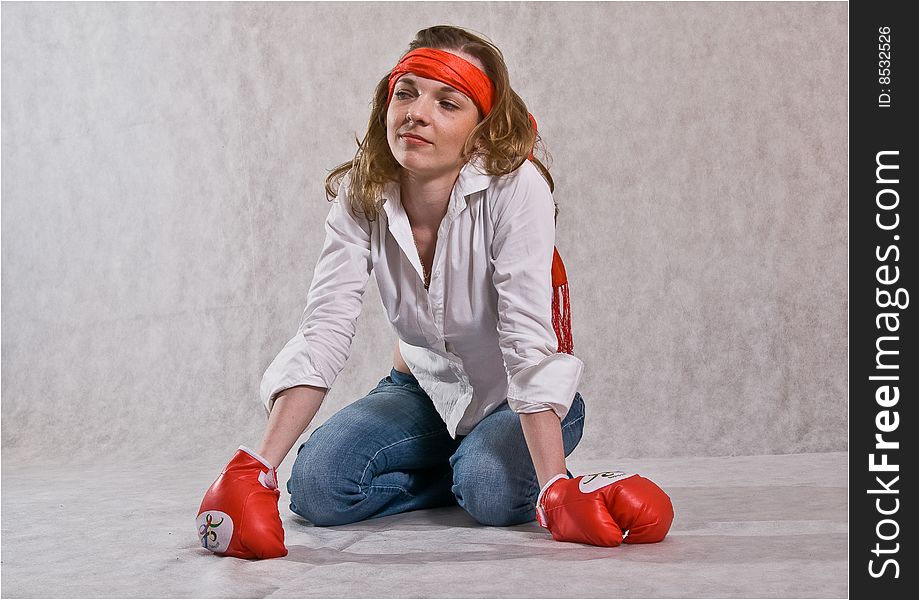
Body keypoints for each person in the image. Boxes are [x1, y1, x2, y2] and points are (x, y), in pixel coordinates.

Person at [196, 25, 673, 560]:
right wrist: (255, 467)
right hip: (419, 389)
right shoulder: (363, 191)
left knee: (490, 494)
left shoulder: (516, 188)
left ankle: (512, 475)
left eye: (447, 102)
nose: (416, 113)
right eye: (406, 92)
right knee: (318, 489)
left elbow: (528, 341)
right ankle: (463, 474)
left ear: (482, 131)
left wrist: (557, 489)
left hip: (511, 400)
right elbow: (324, 329)